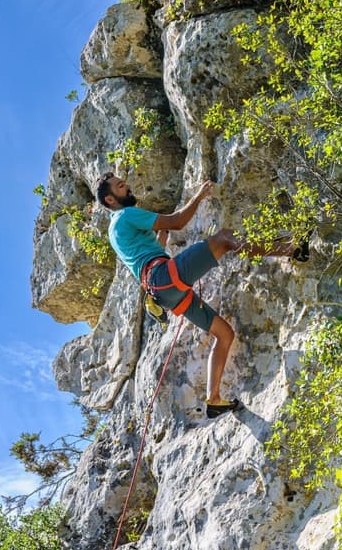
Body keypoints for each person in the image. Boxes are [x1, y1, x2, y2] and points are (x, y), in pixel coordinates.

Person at [95, 172, 307, 418]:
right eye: (121, 186)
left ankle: (214, 399)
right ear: (110, 199)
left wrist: (160, 242)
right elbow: (177, 221)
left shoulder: (114, 230)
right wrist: (199, 195)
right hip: (164, 277)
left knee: (224, 334)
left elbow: (145, 252)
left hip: (163, 291)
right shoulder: (126, 214)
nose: (128, 187)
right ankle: (294, 250)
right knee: (225, 238)